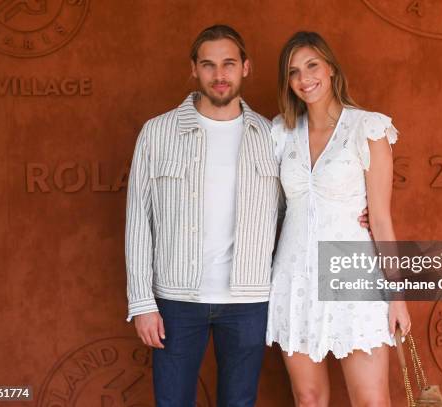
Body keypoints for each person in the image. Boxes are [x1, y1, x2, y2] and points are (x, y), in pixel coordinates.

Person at [125, 25, 372, 406]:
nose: (219, 75)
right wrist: (142, 303)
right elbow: (139, 220)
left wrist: (352, 211)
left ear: (246, 67)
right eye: (208, 65)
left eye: (228, 64)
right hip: (176, 299)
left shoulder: (271, 134)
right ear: (194, 69)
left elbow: (298, 199)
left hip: (249, 300)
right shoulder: (158, 133)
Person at [265, 31, 411, 407]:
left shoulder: (368, 128)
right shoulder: (280, 133)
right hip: (294, 278)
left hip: (351, 275)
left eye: (312, 65)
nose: (304, 78)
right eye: (294, 71)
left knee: (371, 401)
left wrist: (397, 296)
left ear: (330, 68)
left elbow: (380, 218)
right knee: (308, 398)